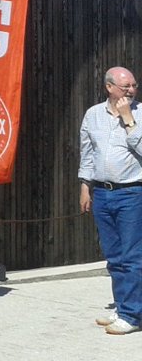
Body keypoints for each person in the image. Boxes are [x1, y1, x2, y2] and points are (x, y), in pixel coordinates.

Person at [79, 66, 142, 335]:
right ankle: (122, 306)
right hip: (103, 193)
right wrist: (85, 186)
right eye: (125, 86)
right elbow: (87, 153)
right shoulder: (93, 114)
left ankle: (132, 315)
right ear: (109, 87)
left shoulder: (139, 113)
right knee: (114, 256)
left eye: (134, 85)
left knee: (132, 257)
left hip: (132, 193)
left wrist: (129, 119)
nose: (131, 90)